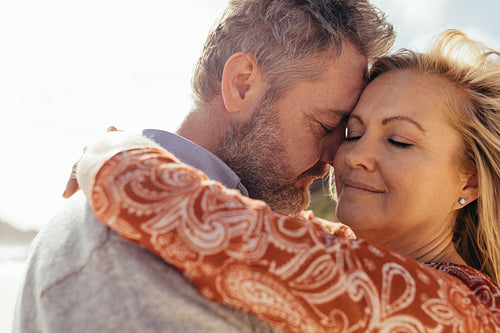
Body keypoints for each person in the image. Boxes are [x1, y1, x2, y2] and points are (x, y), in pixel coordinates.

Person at [74, 30, 500, 332]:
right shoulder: (339, 247)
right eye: (351, 132)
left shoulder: (454, 309)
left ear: (469, 183)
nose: (353, 157)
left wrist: (117, 154)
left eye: (399, 140)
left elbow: (211, 229)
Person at [13, 1, 395, 332]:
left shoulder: (237, 232)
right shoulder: (134, 259)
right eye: (326, 126)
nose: (334, 158)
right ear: (242, 85)